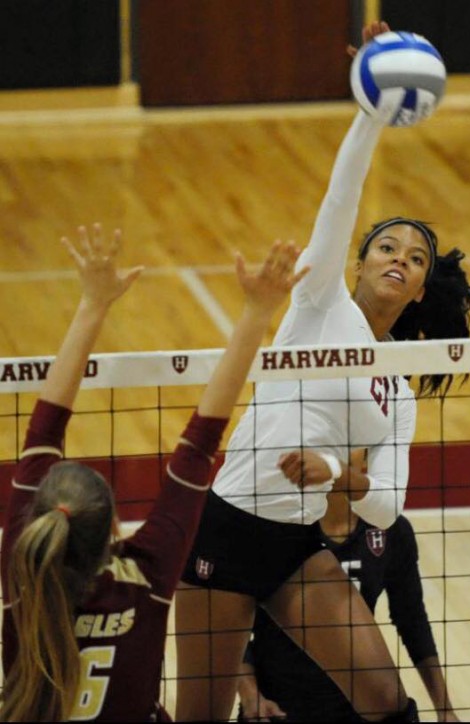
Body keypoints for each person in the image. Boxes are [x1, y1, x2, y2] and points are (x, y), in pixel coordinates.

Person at [175, 20, 470, 723]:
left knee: (384, 700)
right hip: (223, 528)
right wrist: (371, 115)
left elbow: (387, 506)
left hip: (296, 546)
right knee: (200, 715)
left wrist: (335, 474)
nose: (398, 257)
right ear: (362, 261)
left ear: (416, 291)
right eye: (386, 245)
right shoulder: (320, 301)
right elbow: (340, 200)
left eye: (415, 259)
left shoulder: (396, 390)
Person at [0, 224, 307, 721]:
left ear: (37, 518)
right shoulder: (144, 576)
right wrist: (258, 313)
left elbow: (43, 434)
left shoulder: (25, 570)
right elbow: (198, 445)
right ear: (112, 531)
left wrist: (92, 304)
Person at [237, 463, 459, 723]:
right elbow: (230, 628)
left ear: (364, 460)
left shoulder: (390, 529)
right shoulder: (271, 529)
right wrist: (251, 696)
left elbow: (412, 621)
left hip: (361, 709)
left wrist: (445, 709)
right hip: (277, 709)